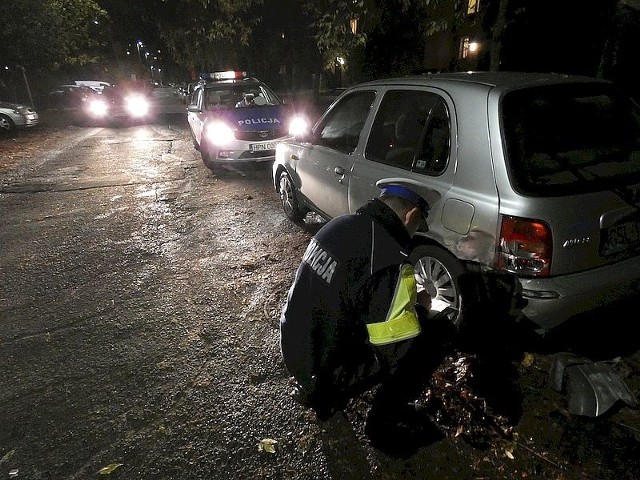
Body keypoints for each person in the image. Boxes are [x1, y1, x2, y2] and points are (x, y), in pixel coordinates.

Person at [279, 181, 453, 453]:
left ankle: (322, 393)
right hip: (324, 373)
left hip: (295, 348)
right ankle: (384, 429)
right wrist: (419, 309)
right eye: (417, 226)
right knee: (433, 338)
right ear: (411, 216)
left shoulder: (340, 225)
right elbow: (396, 349)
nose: (415, 231)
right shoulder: (389, 257)